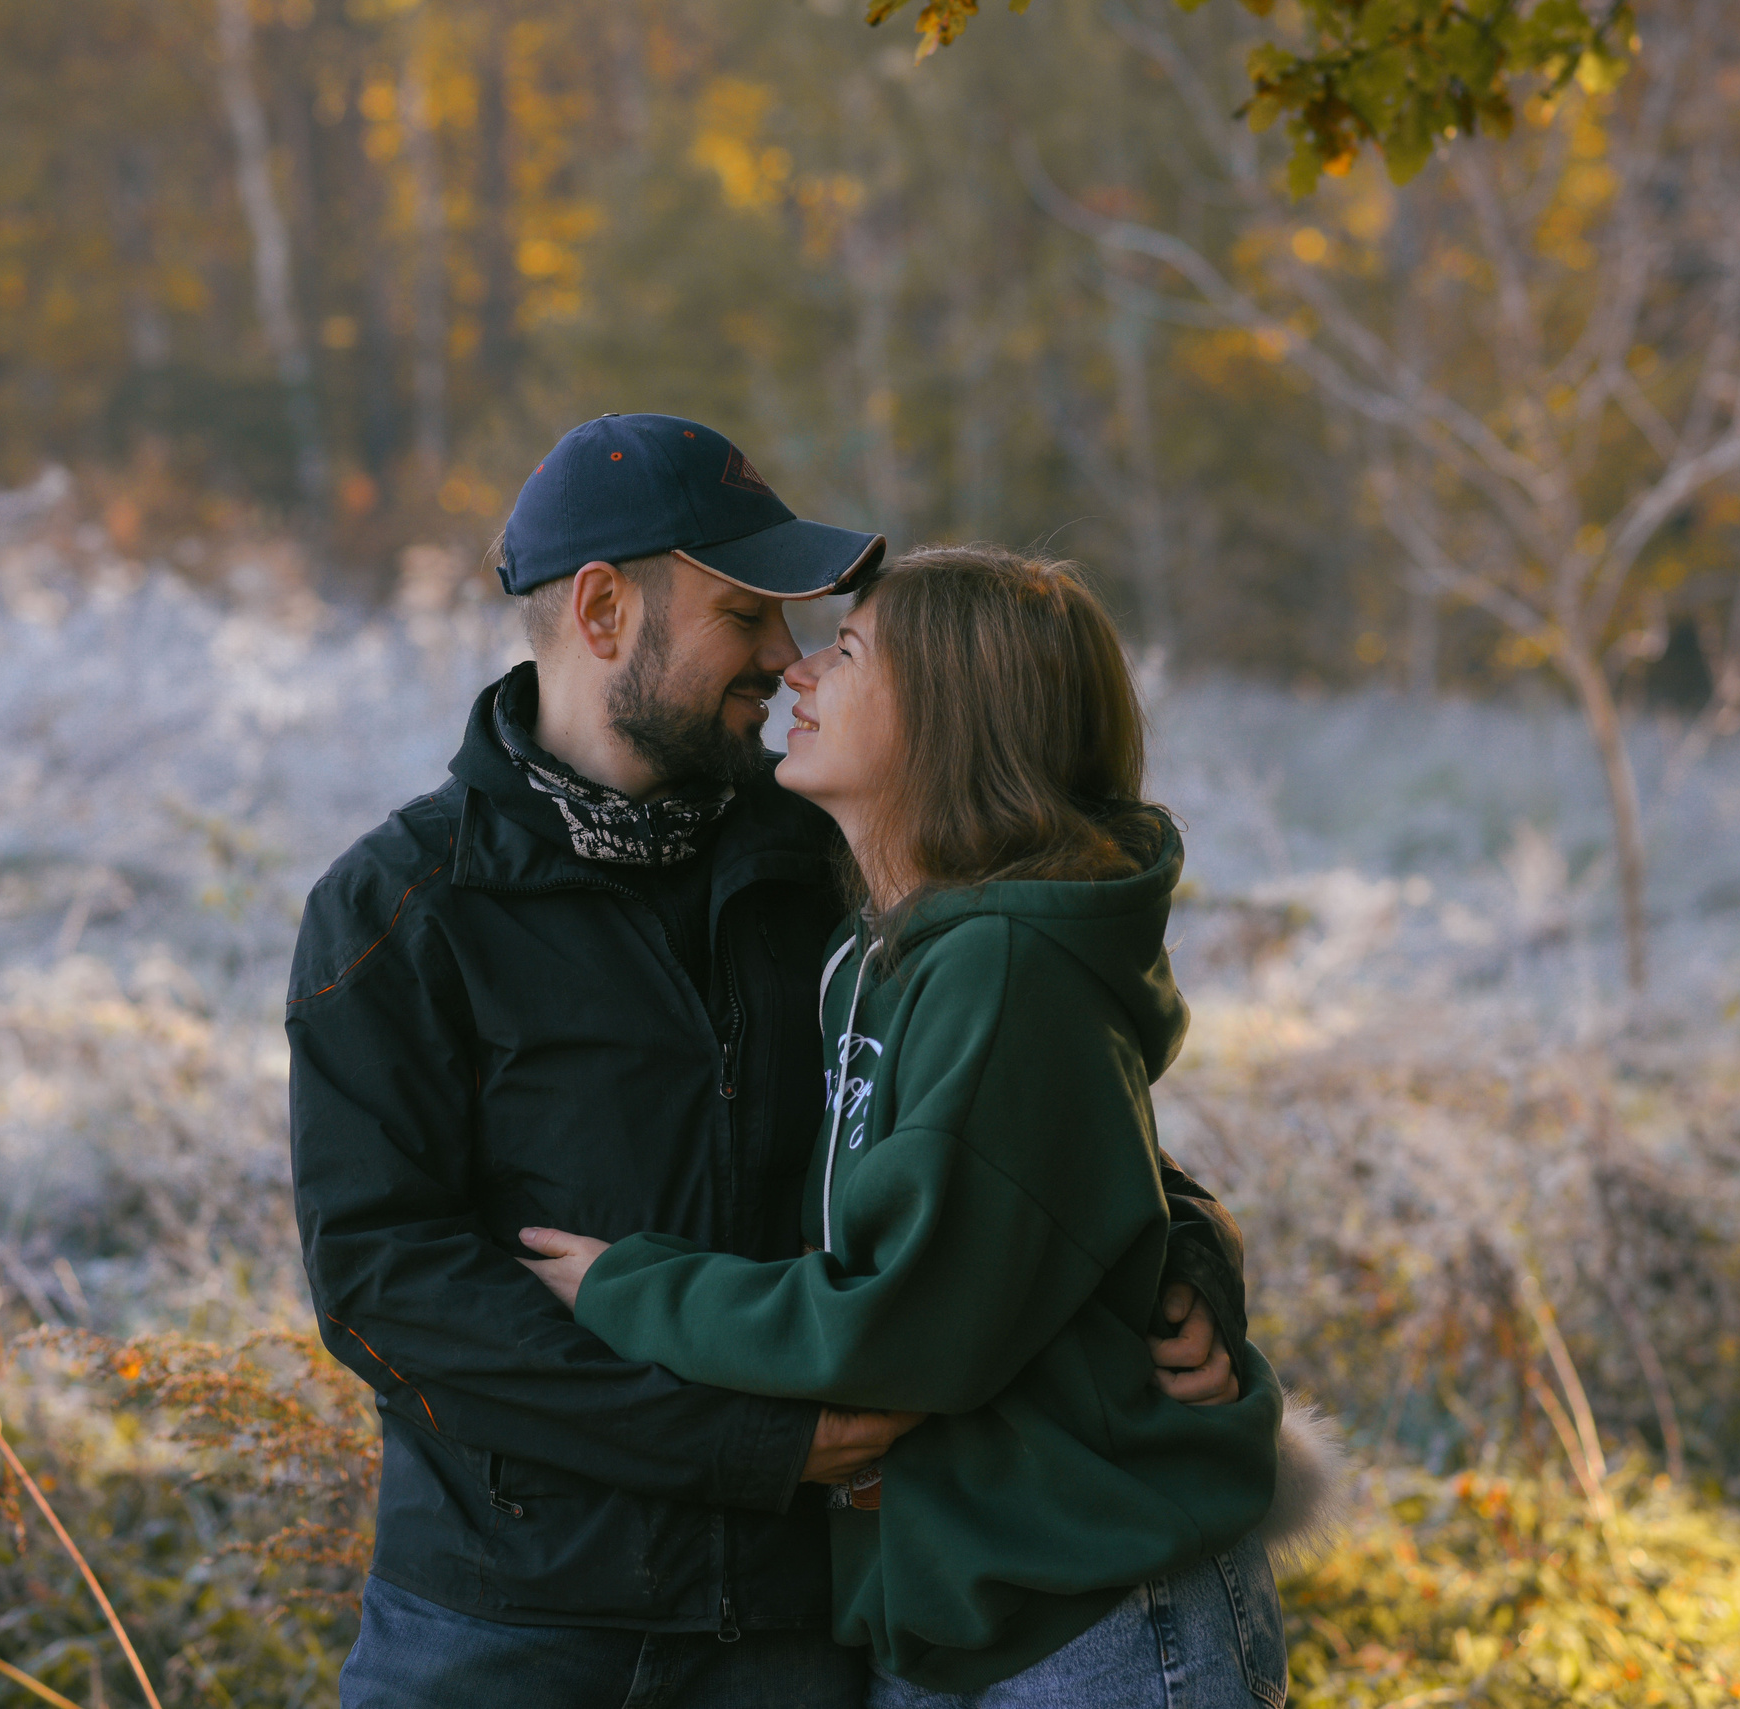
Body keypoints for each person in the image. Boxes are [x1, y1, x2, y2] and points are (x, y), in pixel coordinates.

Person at [288, 416, 1260, 1709]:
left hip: (793, 1630)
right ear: (599, 610)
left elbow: (1013, 1114)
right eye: (747, 615)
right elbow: (383, 1277)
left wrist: (1183, 1247)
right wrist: (745, 1443)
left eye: (807, 629)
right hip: (501, 1622)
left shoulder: (831, 858)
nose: (785, 660)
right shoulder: (401, 909)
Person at [518, 544, 1313, 1706]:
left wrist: (629, 1291)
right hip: (957, 1608)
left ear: (954, 714)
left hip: (1096, 1617)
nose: (797, 675)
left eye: (846, 651)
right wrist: (1191, 1237)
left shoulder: (1001, 970)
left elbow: (908, 1317)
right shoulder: (875, 951)